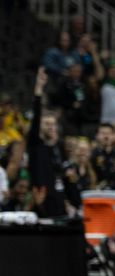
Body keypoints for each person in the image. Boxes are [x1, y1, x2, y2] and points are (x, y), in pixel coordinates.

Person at [27, 68, 68, 217]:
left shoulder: (58, 148)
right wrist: (38, 90)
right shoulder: (35, 145)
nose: (50, 127)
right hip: (42, 200)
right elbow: (36, 119)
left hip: (59, 199)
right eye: (47, 124)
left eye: (53, 124)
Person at [91, 123, 115, 188]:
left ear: (114, 136)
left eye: (109, 133)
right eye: (103, 133)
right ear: (97, 136)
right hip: (97, 191)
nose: (106, 137)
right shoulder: (92, 155)